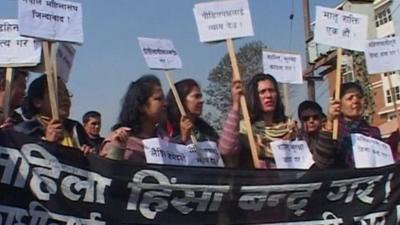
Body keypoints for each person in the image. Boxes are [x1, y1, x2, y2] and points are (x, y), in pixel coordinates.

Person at [164, 78, 243, 167]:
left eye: (200, 96)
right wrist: (183, 139)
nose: (202, 101)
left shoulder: (206, 131)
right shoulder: (165, 129)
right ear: (181, 100)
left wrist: (236, 104)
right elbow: (167, 158)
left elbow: (225, 150)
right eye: (196, 96)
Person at [14, 75, 93, 154]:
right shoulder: (25, 131)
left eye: (66, 93)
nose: (65, 98)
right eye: (58, 94)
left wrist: (89, 154)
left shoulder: (75, 128)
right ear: (37, 102)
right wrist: (48, 143)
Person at [100, 75, 168, 163]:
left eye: (164, 98)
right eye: (158, 99)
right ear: (141, 106)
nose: (165, 103)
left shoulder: (166, 142)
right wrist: (118, 149)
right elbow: (107, 172)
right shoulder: (119, 140)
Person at [314, 82, 381, 168]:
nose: (356, 101)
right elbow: (322, 162)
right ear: (338, 105)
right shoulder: (332, 130)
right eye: (350, 98)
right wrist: (330, 122)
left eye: (359, 97)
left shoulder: (373, 132)